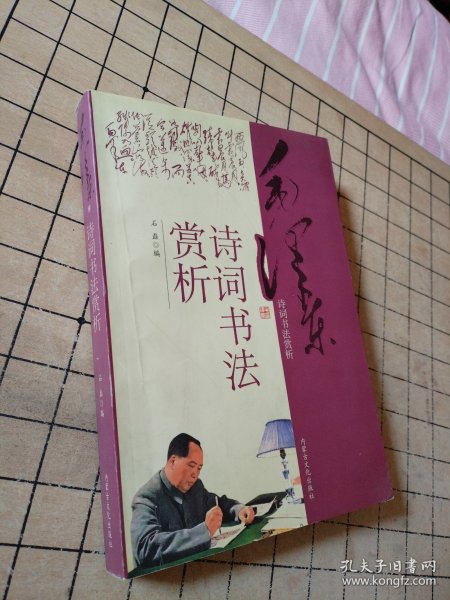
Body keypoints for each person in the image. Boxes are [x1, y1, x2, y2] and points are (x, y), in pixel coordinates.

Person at [131, 433, 255, 568]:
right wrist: (204, 531)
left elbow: (217, 503)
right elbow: (145, 549)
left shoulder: (195, 486)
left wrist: (239, 510)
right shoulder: (146, 498)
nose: (195, 474)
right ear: (172, 462)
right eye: (191, 465)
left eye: (199, 468)